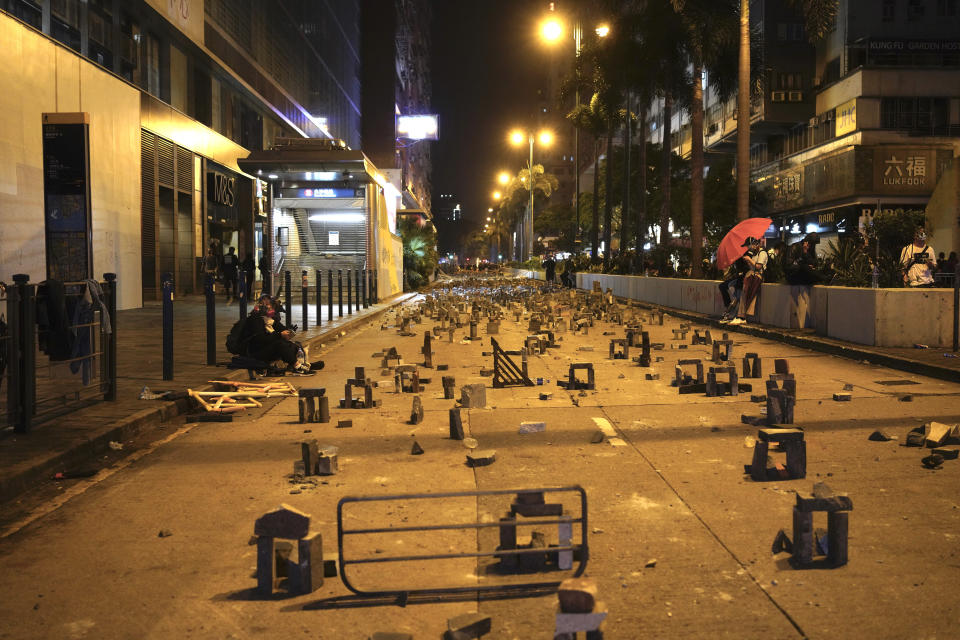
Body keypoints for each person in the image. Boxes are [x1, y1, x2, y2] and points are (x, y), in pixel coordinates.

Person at [242, 295, 315, 374]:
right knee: (280, 344)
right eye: (266, 305)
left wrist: (289, 331)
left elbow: (280, 327)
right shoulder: (255, 320)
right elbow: (260, 339)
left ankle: (304, 364)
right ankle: (297, 367)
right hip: (257, 352)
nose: (270, 308)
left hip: (266, 347)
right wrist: (280, 335)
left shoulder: (269, 319)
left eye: (270, 305)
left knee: (293, 344)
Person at [728, 237, 768, 326]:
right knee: (744, 293)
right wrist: (748, 262)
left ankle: (741, 316)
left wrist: (749, 260)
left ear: (754, 244)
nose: (748, 248)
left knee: (745, 293)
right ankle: (740, 316)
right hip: (752, 276)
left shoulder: (762, 253)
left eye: (748, 246)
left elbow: (758, 267)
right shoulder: (755, 254)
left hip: (757, 276)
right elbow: (753, 267)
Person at [718, 253, 750, 322]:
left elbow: (745, 270)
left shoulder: (744, 256)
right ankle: (728, 307)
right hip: (737, 278)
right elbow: (736, 271)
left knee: (737, 294)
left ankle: (733, 312)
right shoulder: (735, 259)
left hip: (742, 279)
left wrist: (739, 274)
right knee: (722, 286)